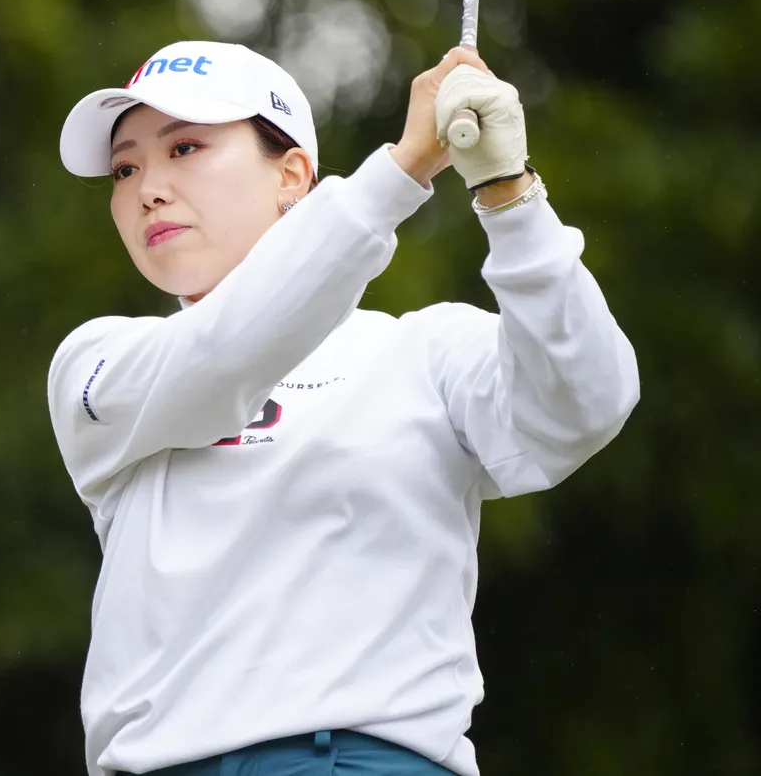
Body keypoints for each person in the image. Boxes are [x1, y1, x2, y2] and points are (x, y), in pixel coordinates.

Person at [45, 40, 639, 776]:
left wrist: (508, 194)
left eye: (185, 148)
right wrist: (403, 168)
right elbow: (223, 352)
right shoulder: (99, 363)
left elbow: (586, 401)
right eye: (125, 168)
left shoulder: (425, 351)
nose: (148, 190)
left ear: (292, 175)